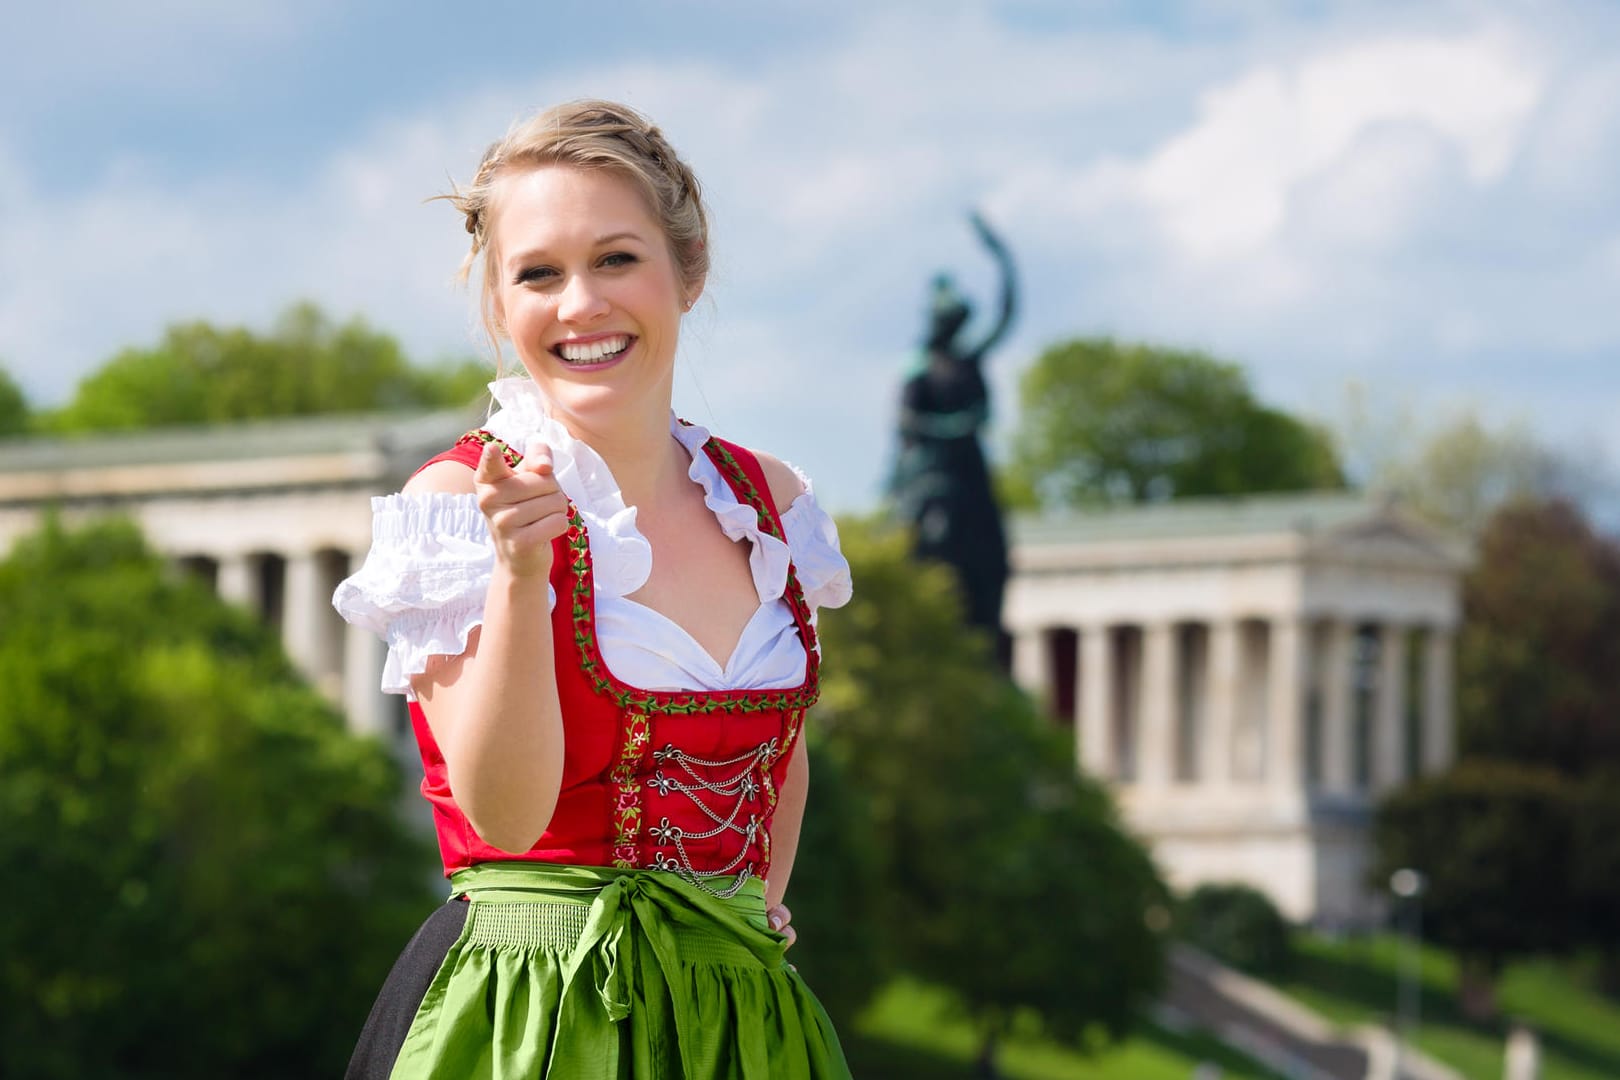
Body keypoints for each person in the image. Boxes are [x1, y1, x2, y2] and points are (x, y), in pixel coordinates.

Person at [332, 99, 854, 1079]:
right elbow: (507, 817)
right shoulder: (454, 502)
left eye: (616, 259)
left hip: (745, 1019)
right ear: (498, 305)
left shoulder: (771, 502)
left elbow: (783, 762)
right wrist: (525, 579)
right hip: (530, 1015)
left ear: (686, 273)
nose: (580, 304)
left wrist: (750, 912)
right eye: (538, 273)